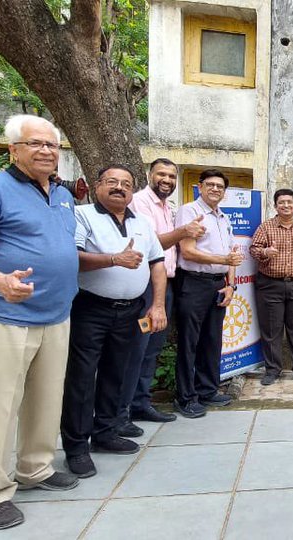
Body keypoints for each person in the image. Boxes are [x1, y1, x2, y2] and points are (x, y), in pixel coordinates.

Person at [0, 114, 81, 530]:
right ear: (14, 150)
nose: (46, 151)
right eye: (35, 143)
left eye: (52, 145)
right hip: (9, 315)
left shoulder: (62, 194)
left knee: (47, 399)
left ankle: (35, 468)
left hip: (57, 313)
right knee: (1, 405)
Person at [60, 165, 168, 479]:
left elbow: (157, 265)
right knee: (82, 378)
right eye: (112, 182)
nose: (119, 187)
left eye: (126, 184)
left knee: (116, 373)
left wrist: (157, 305)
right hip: (91, 309)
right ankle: (76, 448)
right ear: (97, 186)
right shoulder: (81, 215)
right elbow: (72, 257)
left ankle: (105, 432)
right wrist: (114, 259)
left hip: (132, 310)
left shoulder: (142, 223)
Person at [118, 158, 205, 434]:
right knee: (136, 347)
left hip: (165, 284)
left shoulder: (167, 207)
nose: (166, 180)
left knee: (152, 347)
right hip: (144, 285)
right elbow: (152, 244)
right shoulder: (140, 202)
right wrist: (183, 232)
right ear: (149, 175)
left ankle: (140, 403)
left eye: (171, 176)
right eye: (161, 174)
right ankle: (120, 412)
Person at [172, 169, 243, 418]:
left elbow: (232, 255)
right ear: (200, 187)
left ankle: (207, 390)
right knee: (189, 342)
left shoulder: (223, 218)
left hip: (218, 285)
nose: (215, 189)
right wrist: (223, 260)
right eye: (210, 184)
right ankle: (185, 397)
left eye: (220, 186)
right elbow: (187, 251)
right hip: (193, 283)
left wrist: (230, 285)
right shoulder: (190, 211)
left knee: (212, 340)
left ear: (225, 192)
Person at [249, 188, 293, 386]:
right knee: (271, 330)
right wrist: (265, 252)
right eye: (281, 202)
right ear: (275, 206)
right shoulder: (266, 227)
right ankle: (272, 370)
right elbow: (253, 249)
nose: (286, 205)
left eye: (289, 202)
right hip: (270, 285)